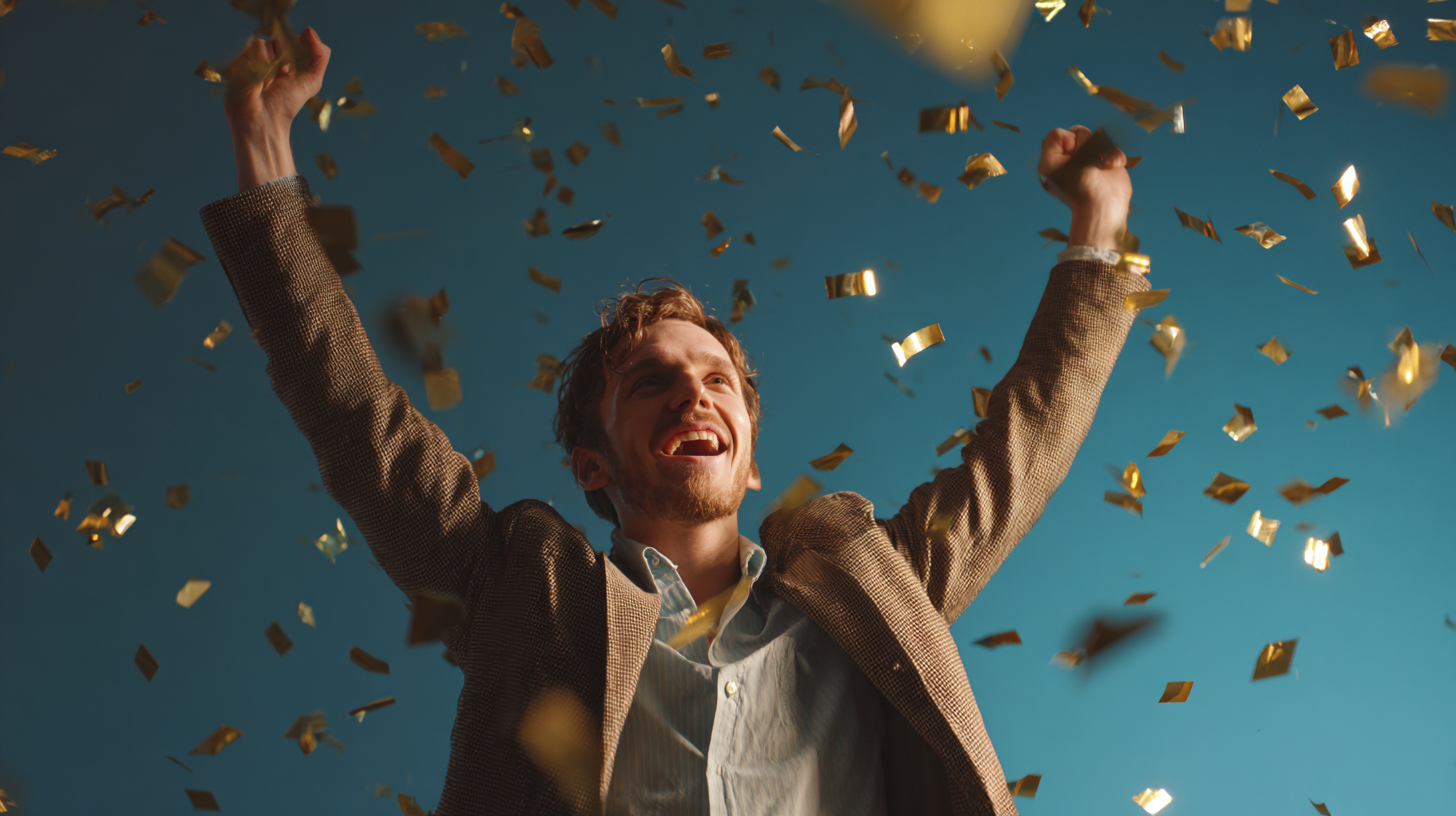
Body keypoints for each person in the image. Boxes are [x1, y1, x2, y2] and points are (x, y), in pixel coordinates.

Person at [201, 27, 1146, 816]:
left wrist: (1098, 231)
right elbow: (355, 417)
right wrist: (265, 144)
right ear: (593, 465)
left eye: (717, 380)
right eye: (652, 383)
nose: (695, 394)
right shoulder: (524, 593)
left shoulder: (876, 586)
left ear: (750, 452)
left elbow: (1024, 442)